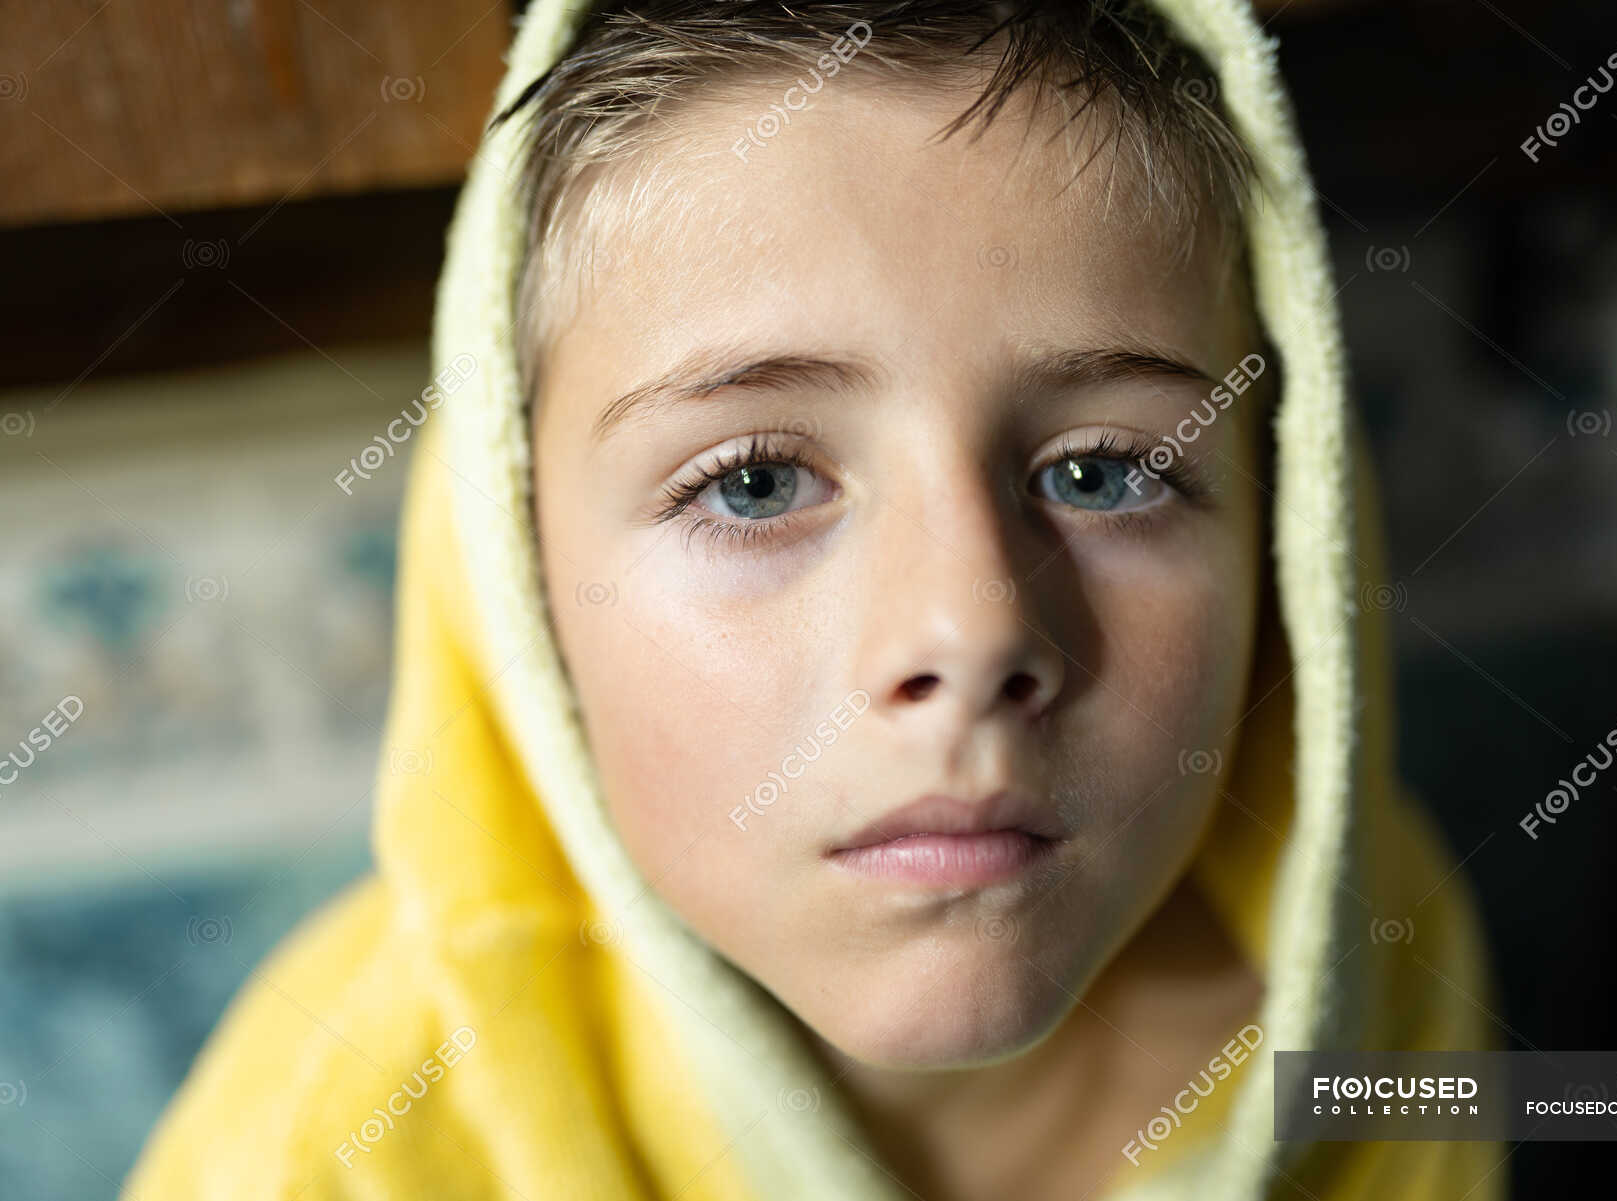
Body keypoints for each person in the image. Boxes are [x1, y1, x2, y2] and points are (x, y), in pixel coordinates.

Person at [127, 3, 1505, 1198]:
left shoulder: (1382, 1001)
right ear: (516, 577)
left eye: (1100, 469)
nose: (970, 632)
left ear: (1287, 534)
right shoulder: (334, 1154)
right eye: (755, 484)